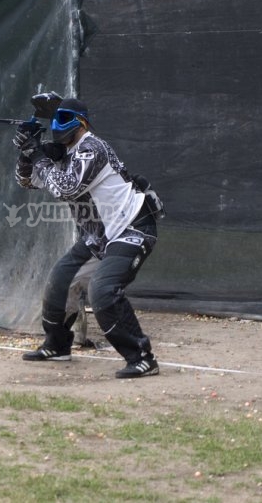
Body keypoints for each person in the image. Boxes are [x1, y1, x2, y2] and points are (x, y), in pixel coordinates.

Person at [13, 97, 163, 378]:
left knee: (103, 292)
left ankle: (142, 358)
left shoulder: (93, 148)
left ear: (81, 123)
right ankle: (57, 346)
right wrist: (26, 151)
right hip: (98, 237)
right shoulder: (64, 155)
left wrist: (38, 155)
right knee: (61, 280)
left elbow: (66, 188)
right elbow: (26, 181)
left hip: (132, 228)